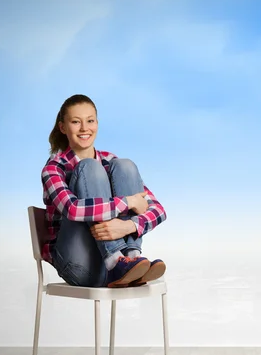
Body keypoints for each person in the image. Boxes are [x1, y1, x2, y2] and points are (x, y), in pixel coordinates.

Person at [40, 94, 167, 288]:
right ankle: (115, 260)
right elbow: (72, 209)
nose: (84, 128)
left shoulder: (111, 161)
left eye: (90, 121)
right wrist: (128, 202)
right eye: (76, 122)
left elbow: (158, 210)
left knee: (125, 165)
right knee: (89, 167)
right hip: (79, 264)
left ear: (97, 124)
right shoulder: (54, 168)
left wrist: (129, 226)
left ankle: (131, 257)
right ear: (63, 127)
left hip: (124, 268)